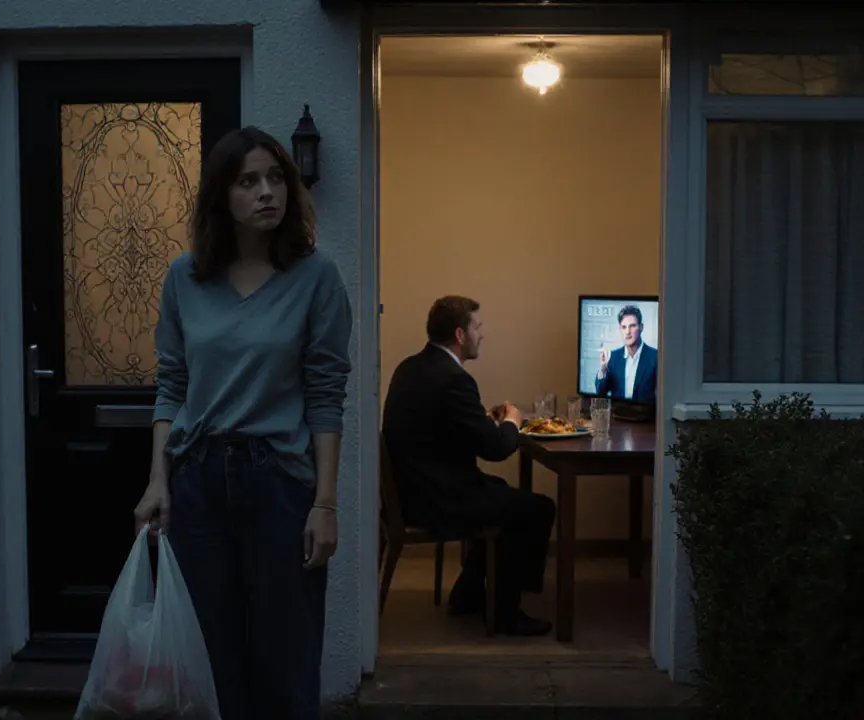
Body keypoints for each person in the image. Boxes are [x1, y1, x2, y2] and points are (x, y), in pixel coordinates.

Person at [132, 126, 353, 720]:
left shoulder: (316, 276)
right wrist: (159, 481)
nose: (267, 193)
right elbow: (172, 384)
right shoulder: (185, 277)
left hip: (280, 481)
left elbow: (326, 395)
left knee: (286, 659)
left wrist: (324, 504)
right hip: (199, 482)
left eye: (276, 178)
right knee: (209, 657)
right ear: (220, 196)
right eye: (248, 181)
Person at [381, 296, 556, 636]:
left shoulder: (411, 366)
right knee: (536, 508)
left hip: (410, 493)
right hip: (435, 501)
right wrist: (513, 422)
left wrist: (486, 420)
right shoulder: (454, 379)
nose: (483, 334)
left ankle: (468, 594)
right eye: (478, 327)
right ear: (460, 335)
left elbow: (442, 428)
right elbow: (494, 449)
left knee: (501, 494)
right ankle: (506, 614)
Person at [594, 304, 658, 404]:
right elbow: (600, 392)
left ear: (641, 327)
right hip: (616, 416)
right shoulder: (613, 357)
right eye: (624, 327)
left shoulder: (655, 357)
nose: (628, 332)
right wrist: (603, 368)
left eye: (632, 326)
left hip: (645, 417)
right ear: (620, 330)